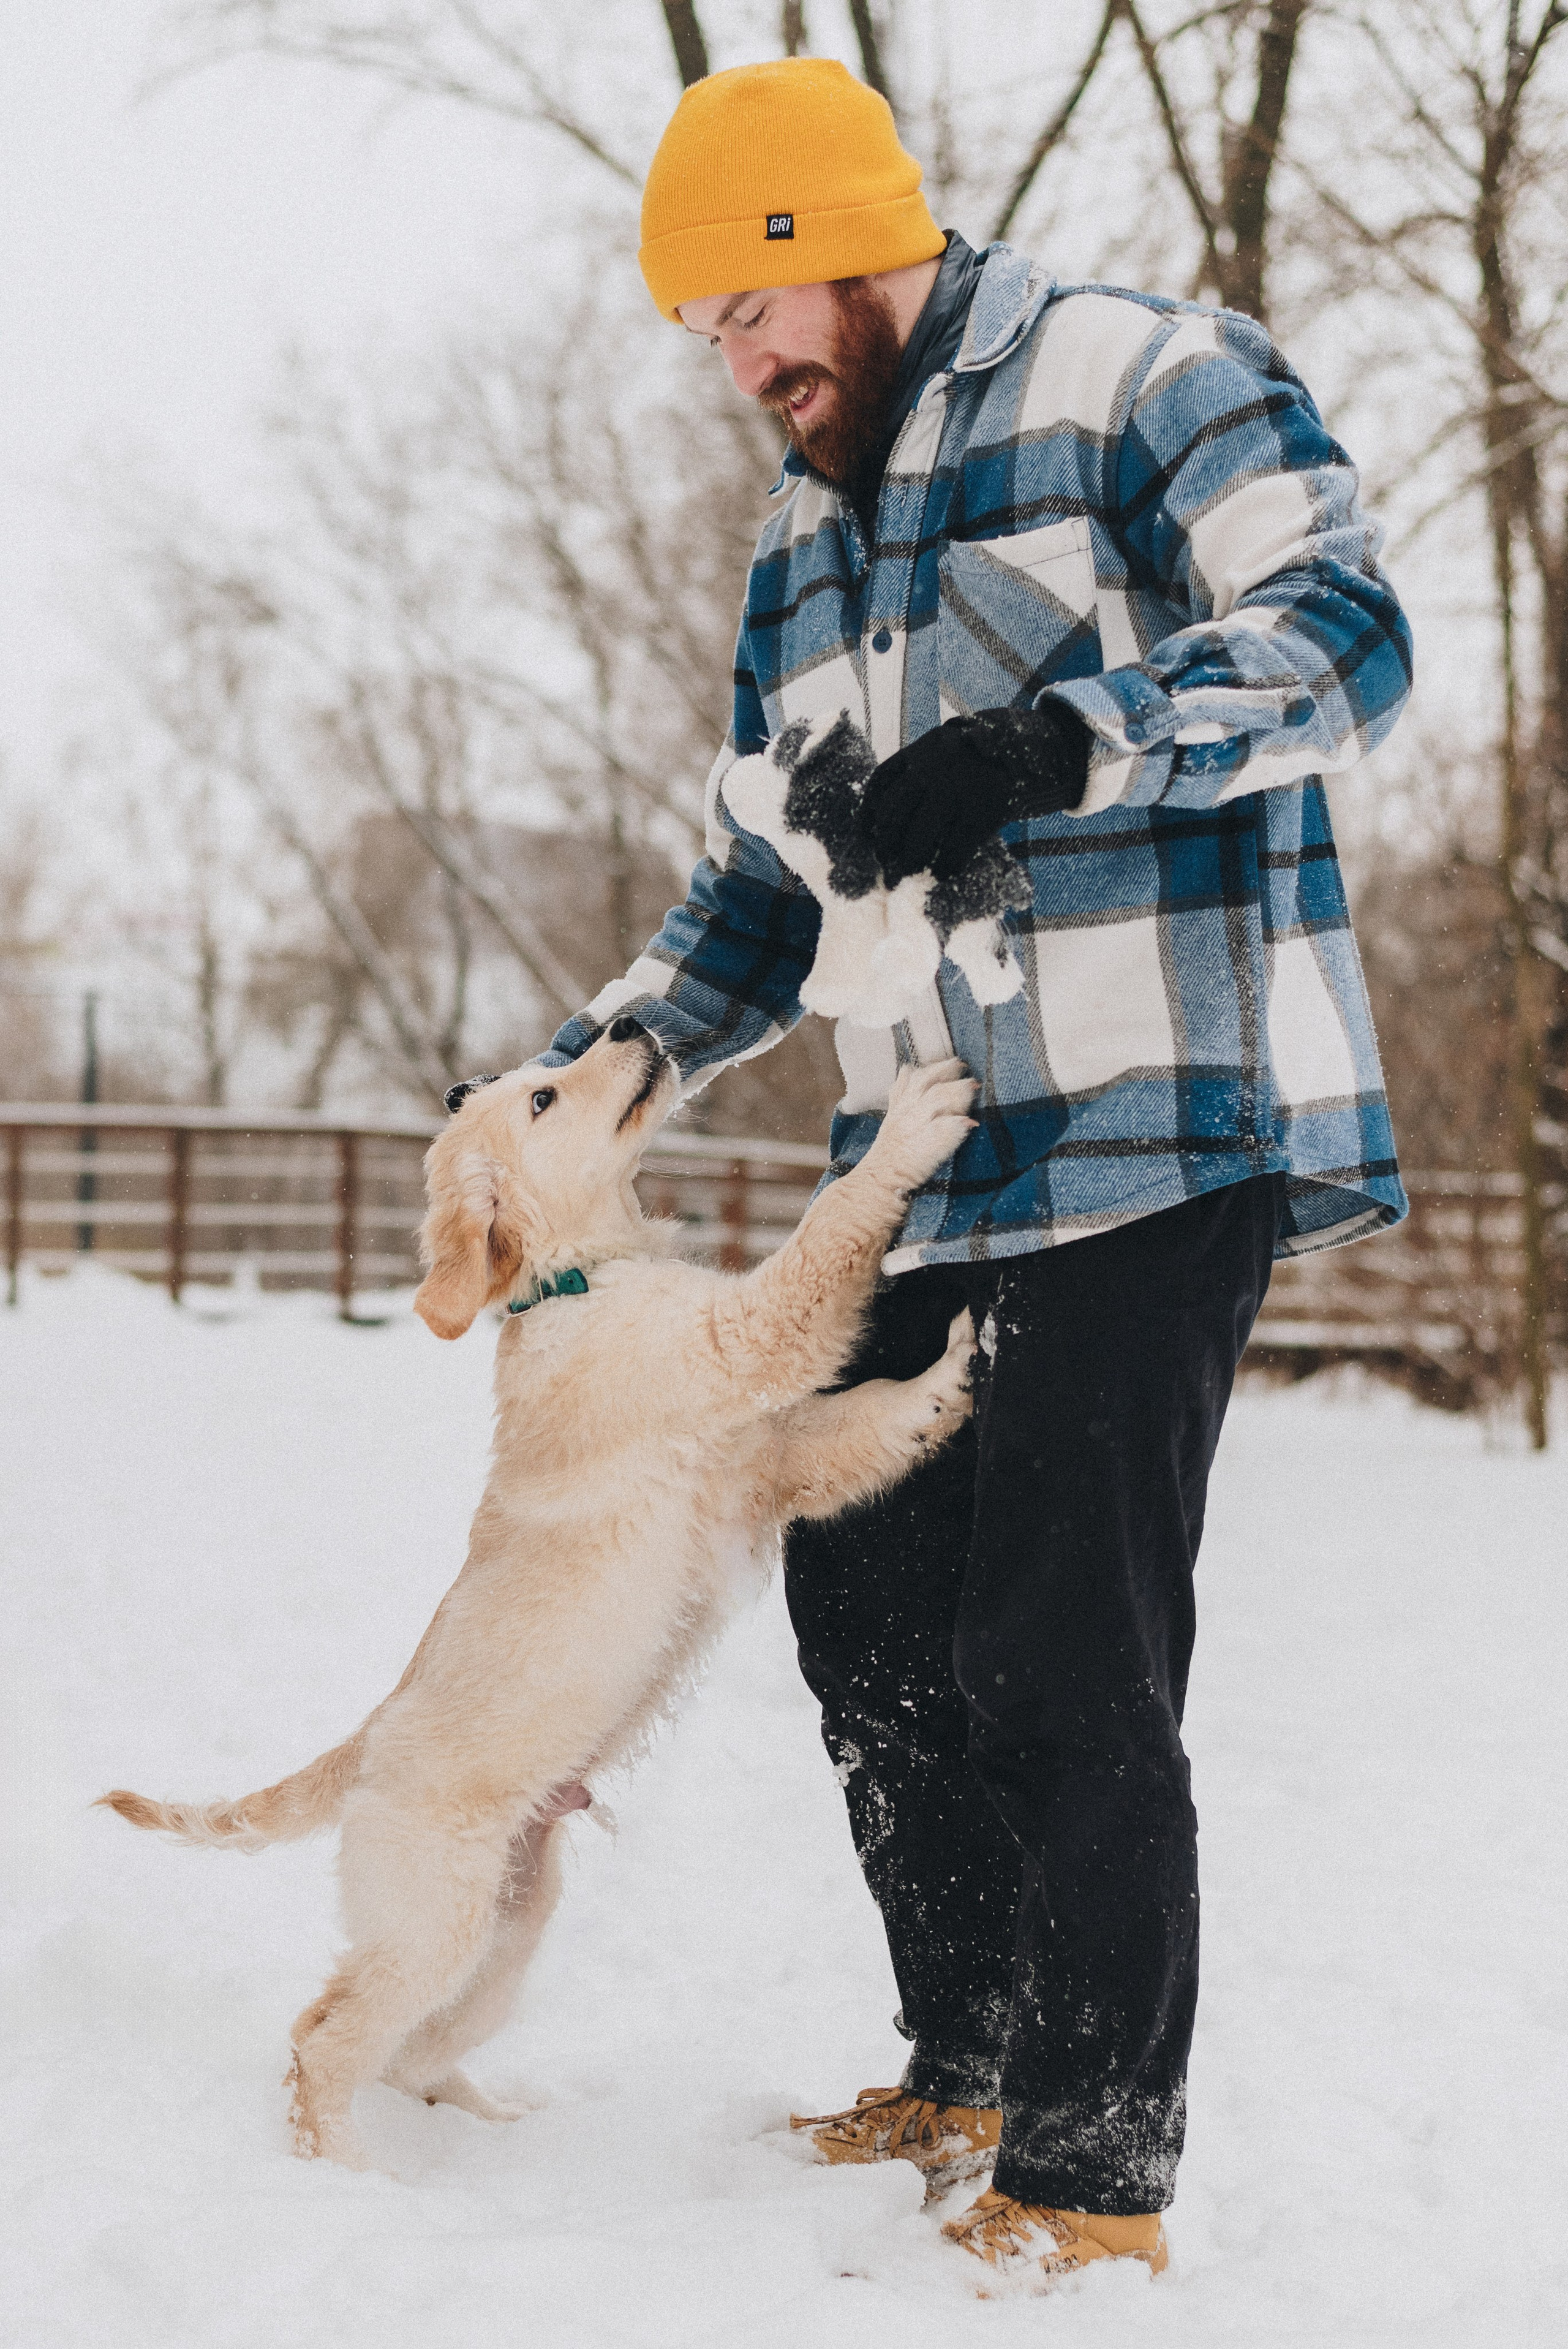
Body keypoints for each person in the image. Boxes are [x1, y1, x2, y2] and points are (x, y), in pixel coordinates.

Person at [540, 56, 1412, 2288]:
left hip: (1159, 1114)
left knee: (1056, 1638)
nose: (741, 370)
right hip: (923, 1157)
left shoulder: (1145, 377)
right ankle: (969, 2060)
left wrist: (1065, 739)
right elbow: (766, 879)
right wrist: (611, 1059)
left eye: (750, 315)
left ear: (836, 243)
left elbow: (1347, 632)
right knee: (869, 1618)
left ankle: (1096, 2171)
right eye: (710, 340)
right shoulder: (801, 539)